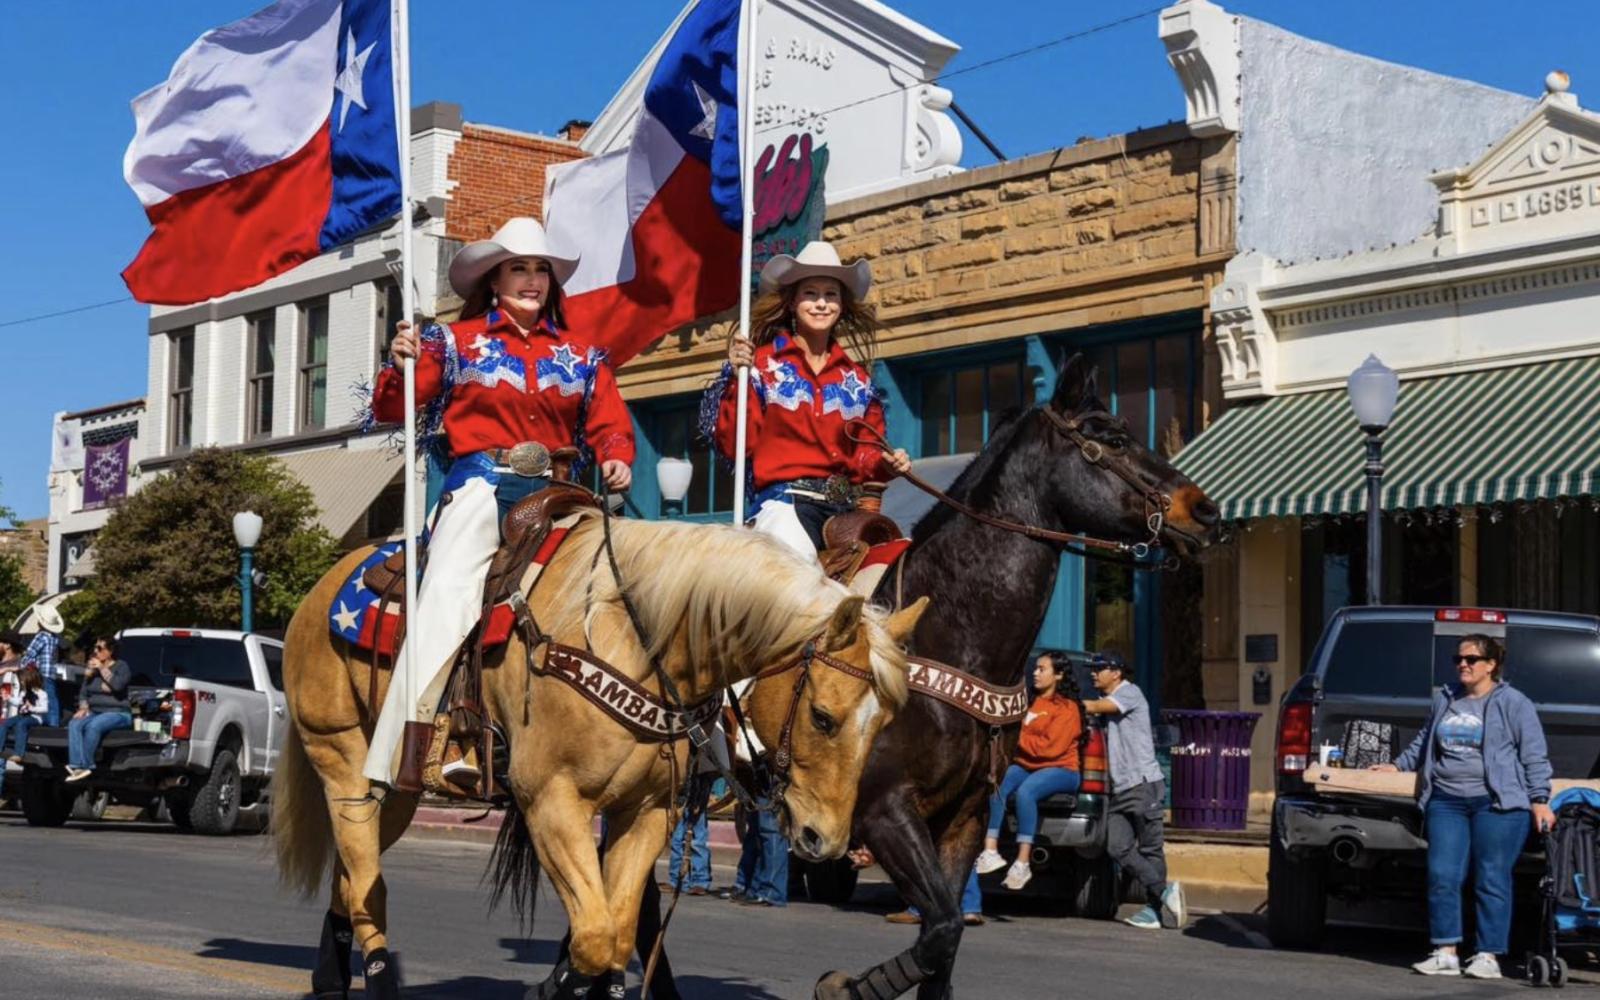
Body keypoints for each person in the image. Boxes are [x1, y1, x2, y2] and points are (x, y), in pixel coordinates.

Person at [362, 217, 635, 791]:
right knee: (448, 596)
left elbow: (610, 422)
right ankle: (420, 746)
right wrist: (400, 360)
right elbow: (394, 409)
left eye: (541, 270)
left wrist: (617, 454)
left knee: (625, 583)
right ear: (493, 279)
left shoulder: (583, 356)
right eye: (519, 268)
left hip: (560, 491)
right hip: (483, 485)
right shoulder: (455, 343)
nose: (531, 280)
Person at [703, 241, 911, 556]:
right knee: (798, 569)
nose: (821, 303)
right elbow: (736, 445)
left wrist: (887, 463)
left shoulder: (857, 380)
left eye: (831, 294)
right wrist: (737, 378)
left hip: (845, 512)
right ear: (792, 303)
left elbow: (865, 455)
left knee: (895, 562)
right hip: (783, 505)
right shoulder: (761, 365)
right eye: (810, 293)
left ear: (842, 306)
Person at [1374, 633, 1553, 980]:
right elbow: (1425, 742)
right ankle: (1446, 952)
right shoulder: (1445, 699)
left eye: (1471, 659)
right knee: (1443, 874)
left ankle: (1488, 955)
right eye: (1458, 659)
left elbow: (1534, 754)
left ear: (1491, 665)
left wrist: (1539, 800)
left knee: (1491, 877)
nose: (1463, 665)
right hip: (1447, 800)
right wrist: (1397, 765)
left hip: (1498, 803)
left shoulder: (1515, 703)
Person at [1082, 649, 1186, 930]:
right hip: (1120, 789)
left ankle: (1154, 910)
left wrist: (1063, 703)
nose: (1094, 672)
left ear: (1116, 673)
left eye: (1099, 667)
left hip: (1142, 784)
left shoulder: (1130, 693)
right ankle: (1164, 893)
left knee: (1151, 849)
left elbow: (1094, 708)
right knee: (1116, 846)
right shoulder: (1109, 697)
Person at [975, 651, 1085, 890]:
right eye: (1035, 668)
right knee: (998, 785)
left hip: (1062, 769)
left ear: (1058, 675)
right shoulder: (1028, 701)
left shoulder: (1068, 708)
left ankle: (1022, 862)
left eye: (1042, 669)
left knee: (1027, 792)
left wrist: (1015, 737)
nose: (1035, 673)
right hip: (1027, 764)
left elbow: (1049, 749)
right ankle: (990, 850)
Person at [65, 638, 132, 782]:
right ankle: (76, 765)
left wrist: (102, 668)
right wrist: (83, 707)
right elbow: (83, 692)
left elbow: (118, 685)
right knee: (74, 723)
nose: (95, 651)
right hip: (95, 712)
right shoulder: (92, 670)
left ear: (110, 651)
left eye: (100, 648)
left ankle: (86, 765)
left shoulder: (121, 666)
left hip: (118, 712)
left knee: (94, 725)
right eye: (95, 647)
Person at [21, 607, 64, 727]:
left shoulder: (41, 636)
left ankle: (46, 725)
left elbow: (31, 652)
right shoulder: (54, 637)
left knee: (41, 698)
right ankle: (54, 724)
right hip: (51, 672)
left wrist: (22, 666)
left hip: (40, 673)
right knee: (52, 698)